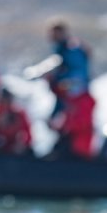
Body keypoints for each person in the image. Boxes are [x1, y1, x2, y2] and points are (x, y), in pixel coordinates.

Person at [39, 19, 96, 159]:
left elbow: (75, 79)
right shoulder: (61, 52)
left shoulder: (72, 50)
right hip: (70, 115)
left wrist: (57, 81)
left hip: (78, 146)